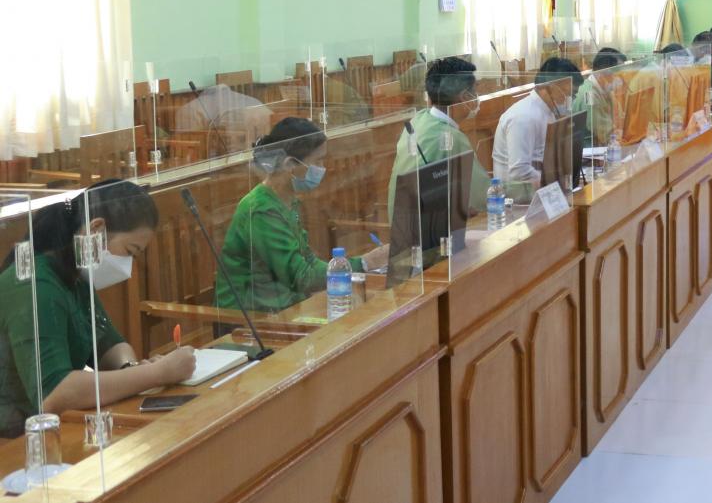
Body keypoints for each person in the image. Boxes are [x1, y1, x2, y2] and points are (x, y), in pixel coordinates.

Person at [0, 181, 196, 437]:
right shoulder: (35, 284)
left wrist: (130, 368)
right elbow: (55, 394)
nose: (128, 265)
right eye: (130, 251)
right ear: (96, 228)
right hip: (15, 436)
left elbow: (108, 344)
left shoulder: (74, 274)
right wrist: (156, 373)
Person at [220, 118, 387, 314]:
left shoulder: (287, 200)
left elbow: (308, 260)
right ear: (290, 164)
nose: (323, 168)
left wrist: (356, 265)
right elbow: (302, 276)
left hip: (284, 305)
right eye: (317, 161)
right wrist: (366, 262)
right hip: (249, 317)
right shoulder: (261, 210)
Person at [386, 56, 489, 219]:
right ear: (465, 97)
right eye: (475, 91)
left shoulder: (418, 120)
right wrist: (528, 189)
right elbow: (483, 196)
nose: (477, 96)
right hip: (430, 230)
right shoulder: (451, 137)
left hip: (403, 225)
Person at [493, 58, 581, 203]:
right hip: (518, 199)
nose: (569, 99)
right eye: (568, 93)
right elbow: (519, 171)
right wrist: (553, 183)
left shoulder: (548, 111)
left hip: (542, 190)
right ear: (550, 87)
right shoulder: (523, 117)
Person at [575, 48, 627, 145]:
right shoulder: (589, 94)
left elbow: (620, 119)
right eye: (618, 73)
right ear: (603, 72)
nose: (621, 79)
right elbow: (602, 133)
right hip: (588, 149)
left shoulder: (605, 90)